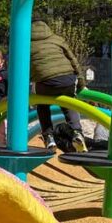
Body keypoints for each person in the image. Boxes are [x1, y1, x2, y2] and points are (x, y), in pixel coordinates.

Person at [30, 18, 87, 152]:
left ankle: (48, 136)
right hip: (67, 79)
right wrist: (81, 83)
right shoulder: (57, 39)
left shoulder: (25, 42)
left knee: (42, 105)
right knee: (69, 103)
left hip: (45, 82)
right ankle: (77, 132)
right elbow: (73, 60)